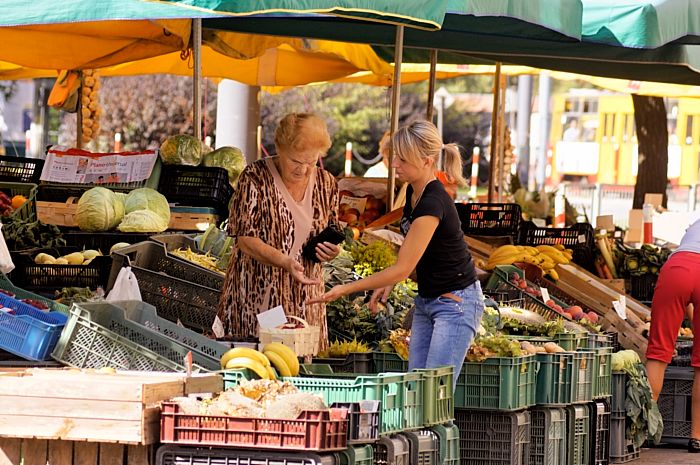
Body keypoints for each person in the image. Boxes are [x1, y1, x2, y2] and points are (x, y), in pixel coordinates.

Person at [309, 120, 484, 387]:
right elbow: (414, 250)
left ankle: (439, 430)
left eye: (402, 159)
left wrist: (345, 289)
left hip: (455, 305)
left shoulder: (432, 201)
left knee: (433, 393)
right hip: (427, 301)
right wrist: (389, 281)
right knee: (416, 390)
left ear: (426, 161)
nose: (394, 165)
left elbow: (403, 267)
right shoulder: (414, 194)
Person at [218, 113, 341, 348]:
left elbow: (333, 230)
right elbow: (244, 238)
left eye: (311, 162)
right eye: (296, 161)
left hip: (306, 299)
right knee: (253, 363)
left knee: (302, 366)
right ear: (279, 149)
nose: (304, 170)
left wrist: (331, 251)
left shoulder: (327, 184)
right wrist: (284, 261)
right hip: (256, 293)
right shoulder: (255, 178)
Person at [646, 218, 700, 453]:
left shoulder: (695, 224)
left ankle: (643, 431)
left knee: (658, 353)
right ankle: (697, 437)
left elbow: (688, 286)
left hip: (678, 269)